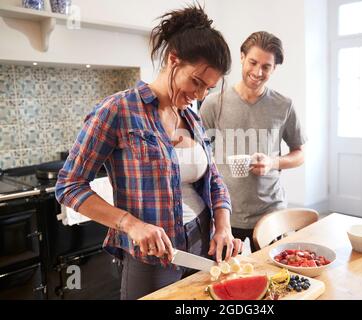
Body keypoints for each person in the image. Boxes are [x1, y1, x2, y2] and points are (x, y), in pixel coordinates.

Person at [55, 4, 242, 300]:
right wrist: (131, 224)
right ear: (173, 59)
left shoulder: (191, 118)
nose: (200, 95)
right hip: (155, 256)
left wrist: (223, 225)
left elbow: (214, 179)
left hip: (205, 241)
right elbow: (68, 186)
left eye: (208, 88)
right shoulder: (117, 110)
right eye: (196, 81)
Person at [200, 31, 305, 252]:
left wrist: (272, 163)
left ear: (274, 68)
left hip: (271, 212)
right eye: (253, 62)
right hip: (226, 213)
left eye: (266, 67)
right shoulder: (212, 103)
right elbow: (199, 153)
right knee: (228, 278)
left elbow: (299, 154)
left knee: (275, 278)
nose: (258, 72)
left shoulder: (284, 105)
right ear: (241, 57)